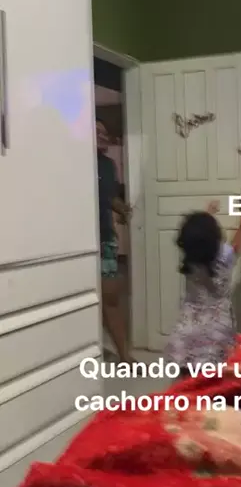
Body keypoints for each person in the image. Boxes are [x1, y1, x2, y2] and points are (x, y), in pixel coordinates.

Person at [165, 201, 241, 377]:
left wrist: (207, 214)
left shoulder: (190, 258)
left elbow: (198, 238)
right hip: (216, 329)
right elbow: (237, 239)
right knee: (213, 376)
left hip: (188, 326)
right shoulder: (224, 258)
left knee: (187, 375)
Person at [96, 118, 133, 363]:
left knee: (110, 296)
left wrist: (123, 209)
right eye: (97, 130)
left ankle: (124, 355)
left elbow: (109, 197)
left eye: (105, 131)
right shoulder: (74, 162)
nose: (103, 135)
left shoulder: (108, 165)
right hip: (77, 240)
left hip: (105, 237)